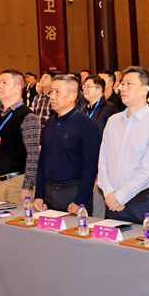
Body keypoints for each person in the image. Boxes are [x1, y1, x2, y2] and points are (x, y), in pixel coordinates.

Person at [97, 66, 149, 225]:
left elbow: (147, 171)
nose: (122, 88)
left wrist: (119, 197)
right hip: (112, 202)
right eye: (122, 84)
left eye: (129, 84)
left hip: (141, 203)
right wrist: (109, 193)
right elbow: (103, 161)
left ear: (145, 90)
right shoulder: (113, 121)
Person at [33, 75, 101, 214]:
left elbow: (91, 167)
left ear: (72, 96)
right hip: (48, 193)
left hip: (73, 193)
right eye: (51, 91)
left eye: (58, 92)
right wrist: (38, 195)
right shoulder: (50, 123)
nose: (52, 96)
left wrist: (80, 200)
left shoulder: (87, 125)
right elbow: (42, 161)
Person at [0, 70, 40, 203]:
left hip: (16, 184)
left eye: (4, 82)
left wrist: (27, 187)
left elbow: (33, 155)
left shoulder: (27, 116)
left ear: (17, 88)